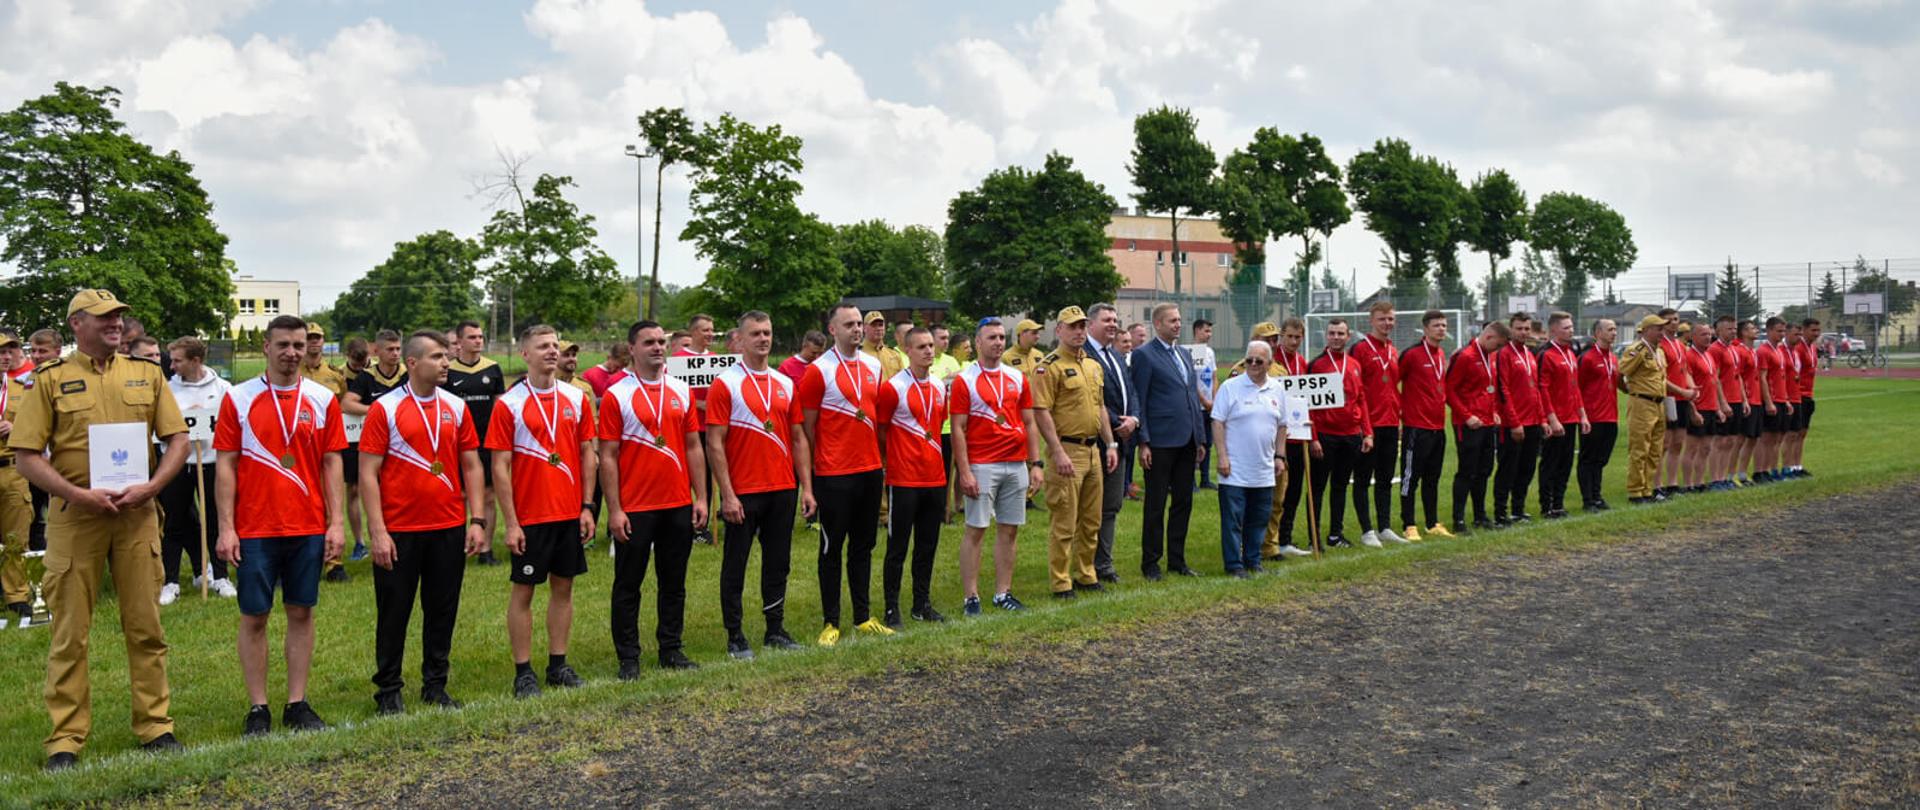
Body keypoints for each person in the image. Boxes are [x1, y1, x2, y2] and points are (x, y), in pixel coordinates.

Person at [13, 290, 191, 770]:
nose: (116, 324)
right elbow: (26, 456)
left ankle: (155, 726)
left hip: (137, 516)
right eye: (104, 317)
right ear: (77, 324)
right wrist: (76, 495)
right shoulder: (50, 379)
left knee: (146, 627)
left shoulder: (147, 373)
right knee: (70, 634)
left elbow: (177, 439)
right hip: (77, 519)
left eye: (118, 317)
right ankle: (65, 739)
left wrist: (153, 486)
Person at [213, 315, 348, 736]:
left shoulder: (322, 399)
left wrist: (337, 523)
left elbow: (332, 463)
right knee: (255, 616)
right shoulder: (238, 398)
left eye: (299, 345)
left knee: (301, 612)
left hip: (307, 526)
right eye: (284, 345)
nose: (292, 352)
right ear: (266, 347)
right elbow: (226, 465)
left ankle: (296, 703)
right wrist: (226, 528)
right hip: (256, 527)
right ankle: (258, 707)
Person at [359, 330, 489, 714]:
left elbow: (471, 465)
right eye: (437, 356)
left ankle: (435, 685)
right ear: (412, 363)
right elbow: (368, 473)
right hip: (399, 530)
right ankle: (388, 690)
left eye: (446, 356)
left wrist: (477, 520)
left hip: (447, 527)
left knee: (442, 611)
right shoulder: (385, 409)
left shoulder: (456, 407)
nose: (446, 362)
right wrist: (377, 531)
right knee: (394, 613)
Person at [487, 325, 596, 698]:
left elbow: (587, 454)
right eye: (543, 346)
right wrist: (511, 523)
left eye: (555, 345)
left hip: (568, 512)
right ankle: (523, 672)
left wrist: (587, 506)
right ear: (525, 354)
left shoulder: (576, 398)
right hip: (530, 517)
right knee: (524, 593)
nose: (552, 351)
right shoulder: (509, 404)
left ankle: (557, 665)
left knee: (564, 588)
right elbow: (500, 466)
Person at [600, 320, 707, 674]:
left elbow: (693, 446)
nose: (658, 347)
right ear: (632, 349)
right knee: (628, 585)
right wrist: (615, 509)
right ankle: (628, 658)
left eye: (661, 341)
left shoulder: (681, 390)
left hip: (677, 503)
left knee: (673, 583)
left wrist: (701, 497)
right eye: (649, 342)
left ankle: (671, 649)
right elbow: (608, 456)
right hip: (636, 507)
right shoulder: (617, 394)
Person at [706, 311, 808, 660]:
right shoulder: (726, 384)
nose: (763, 339)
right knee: (736, 564)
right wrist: (727, 494)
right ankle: (735, 635)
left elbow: (798, 438)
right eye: (755, 334)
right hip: (743, 491)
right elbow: (714, 442)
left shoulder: (785, 383)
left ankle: (775, 629)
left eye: (767, 332)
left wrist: (807, 488)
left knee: (778, 562)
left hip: (782, 487)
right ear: (740, 339)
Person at [798, 303, 890, 645]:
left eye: (858, 324)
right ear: (832, 329)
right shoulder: (818, 371)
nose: (857, 329)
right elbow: (807, 428)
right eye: (849, 324)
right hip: (834, 473)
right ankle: (830, 621)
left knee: (864, 546)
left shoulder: (873, 366)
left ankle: (863, 616)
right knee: (831, 548)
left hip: (869, 470)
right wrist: (815, 472)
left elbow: (876, 416)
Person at [950, 319, 1041, 614]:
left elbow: (1029, 422)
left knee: (1009, 530)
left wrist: (1036, 463)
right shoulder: (965, 380)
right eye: (991, 337)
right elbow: (958, 429)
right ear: (978, 342)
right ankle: (971, 597)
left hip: (1015, 463)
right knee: (976, 529)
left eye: (1002, 337)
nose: (998, 342)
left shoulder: (1017, 378)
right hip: (983, 464)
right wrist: (965, 472)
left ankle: (1003, 593)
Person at [1032, 307, 1118, 597]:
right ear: (1059, 330)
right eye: (1072, 327)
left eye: (1082, 326)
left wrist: (1110, 444)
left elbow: (1100, 407)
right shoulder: (1048, 367)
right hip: (1067, 450)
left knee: (1091, 520)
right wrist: (1057, 452)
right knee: (1065, 522)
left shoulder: (1093, 365)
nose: (1079, 331)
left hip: (1093, 450)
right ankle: (1061, 581)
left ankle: (1086, 574)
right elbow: (1041, 412)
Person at [875, 327, 947, 626]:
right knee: (898, 547)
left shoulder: (940, 386)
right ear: (907, 350)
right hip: (904, 480)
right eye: (921, 346)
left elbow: (937, 424)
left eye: (930, 345)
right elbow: (881, 429)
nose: (928, 351)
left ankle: (922, 603)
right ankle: (892, 608)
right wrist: (894, 459)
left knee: (927, 545)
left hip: (935, 478)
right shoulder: (893, 388)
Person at [159, 337, 236, 604]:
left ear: (196, 360)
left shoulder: (223, 388)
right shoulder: (167, 390)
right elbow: (159, 428)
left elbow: (233, 425)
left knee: (215, 520)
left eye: (177, 360)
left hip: (213, 463)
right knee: (174, 522)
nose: (172, 366)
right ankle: (170, 581)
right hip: (178, 464)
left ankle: (221, 576)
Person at [1130, 303, 1205, 576]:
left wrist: (1200, 438)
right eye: (1172, 320)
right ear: (1158, 324)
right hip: (1160, 442)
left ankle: (1177, 560)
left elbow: (1191, 396)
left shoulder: (1184, 353)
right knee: (1156, 504)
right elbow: (1140, 398)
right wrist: (1144, 441)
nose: (1178, 324)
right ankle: (1151, 563)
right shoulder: (1144, 355)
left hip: (1187, 440)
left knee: (1183, 502)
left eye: (1179, 320)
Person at [1212, 341, 1298, 577]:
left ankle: (1253, 560)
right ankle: (1234, 565)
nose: (1252, 364)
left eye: (1258, 361)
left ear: (1269, 364)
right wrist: (1222, 457)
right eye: (1248, 360)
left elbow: (1282, 425)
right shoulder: (1230, 387)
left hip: (1264, 469)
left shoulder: (1277, 389)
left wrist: (1280, 456)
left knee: (1259, 518)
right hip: (1234, 469)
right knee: (1233, 520)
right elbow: (1217, 422)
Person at [340, 330, 408, 581]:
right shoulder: (367, 377)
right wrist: (378, 411)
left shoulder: (407, 374)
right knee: (361, 491)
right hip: (369, 444)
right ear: (376, 352)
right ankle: (364, 543)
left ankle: (399, 542)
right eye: (390, 349)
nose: (395, 354)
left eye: (398, 349)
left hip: (401, 445)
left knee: (395, 492)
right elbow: (347, 403)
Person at [1307, 319, 1373, 547]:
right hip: (1325, 435)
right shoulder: (1316, 365)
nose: (1336, 337)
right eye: (1332, 333)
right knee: (1317, 488)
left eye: (1340, 333)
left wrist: (1367, 432)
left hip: (1351, 435)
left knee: (1340, 486)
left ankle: (1335, 534)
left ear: (1348, 336)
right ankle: (1314, 539)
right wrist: (1313, 438)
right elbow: (1308, 405)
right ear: (1326, 336)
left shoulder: (1354, 364)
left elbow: (1361, 399)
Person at [442, 321, 504, 566]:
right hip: (456, 443)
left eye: (480, 337)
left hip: (486, 442)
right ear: (459, 342)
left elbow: (500, 407)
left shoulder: (493, 369)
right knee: (459, 495)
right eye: (472, 337)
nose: (478, 341)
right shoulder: (448, 370)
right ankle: (459, 546)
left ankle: (485, 550)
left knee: (488, 496)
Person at [1085, 303, 1139, 584]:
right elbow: (1093, 400)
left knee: (1111, 505)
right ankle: (1086, 564)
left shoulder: (1117, 356)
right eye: (1107, 319)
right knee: (1089, 507)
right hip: (1095, 442)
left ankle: (1103, 564)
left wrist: (1135, 420)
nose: (1113, 324)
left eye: (1115, 319)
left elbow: (1132, 391)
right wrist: (1119, 421)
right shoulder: (1084, 354)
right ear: (1091, 324)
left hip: (1122, 441)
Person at [1349, 302, 1407, 545]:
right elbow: (1354, 389)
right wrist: (1363, 426)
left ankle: (1384, 527)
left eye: (1390, 319)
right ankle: (1367, 531)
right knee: (1363, 479)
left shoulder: (1393, 350)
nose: (1387, 323)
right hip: (1368, 425)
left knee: (1385, 478)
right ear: (1371, 321)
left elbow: (1393, 387)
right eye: (1382, 319)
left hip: (1390, 423)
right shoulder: (1360, 349)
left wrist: (1399, 416)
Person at [1261, 319, 1316, 558]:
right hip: (1277, 437)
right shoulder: (1272, 362)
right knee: (1273, 493)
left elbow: (1308, 400)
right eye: (1289, 337)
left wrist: (1312, 434)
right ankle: (1265, 540)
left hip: (1298, 436)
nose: (1293, 341)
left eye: (1298, 337)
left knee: (1293, 492)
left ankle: (1285, 539)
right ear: (1281, 336)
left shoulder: (1302, 362)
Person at [1396, 311, 1452, 540]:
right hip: (1416, 427)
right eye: (1436, 325)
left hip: (1438, 427)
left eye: (1444, 325)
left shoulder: (1441, 354)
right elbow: (1394, 384)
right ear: (1426, 328)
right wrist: (1401, 415)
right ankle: (1408, 524)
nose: (1441, 329)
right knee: (1410, 478)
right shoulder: (1412, 354)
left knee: (1432, 478)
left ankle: (1432, 522)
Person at [1447, 321, 1508, 531]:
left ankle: (1480, 516)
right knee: (1467, 471)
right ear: (1489, 336)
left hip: (1487, 423)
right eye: (1497, 345)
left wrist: (1494, 412)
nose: (1498, 349)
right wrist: (1466, 416)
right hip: (1469, 425)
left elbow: (1488, 389)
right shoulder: (1464, 356)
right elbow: (1450, 390)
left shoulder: (1491, 356)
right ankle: (1458, 520)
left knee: (1484, 471)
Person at [1492, 313, 1544, 526]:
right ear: (1511, 330)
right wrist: (1514, 422)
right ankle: (1500, 512)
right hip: (1513, 424)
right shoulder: (1504, 354)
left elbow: (1535, 389)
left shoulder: (1529, 354)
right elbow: (1503, 390)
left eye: (1526, 328)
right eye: (1519, 328)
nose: (1523, 332)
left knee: (1527, 468)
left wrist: (1542, 419)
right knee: (1508, 469)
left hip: (1533, 422)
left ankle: (1518, 509)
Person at [1620, 315, 1678, 504]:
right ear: (1646, 330)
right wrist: (1628, 390)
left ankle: (1647, 488)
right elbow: (1621, 373)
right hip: (1642, 403)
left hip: (1658, 403)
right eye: (1658, 329)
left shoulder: (1659, 351)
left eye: (1663, 329)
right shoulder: (1636, 350)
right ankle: (1635, 491)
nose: (1662, 332)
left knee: (1655, 449)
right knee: (1640, 448)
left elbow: (1661, 378)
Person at [1534, 312, 1586, 518]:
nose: (1571, 330)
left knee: (1565, 463)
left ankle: (1558, 503)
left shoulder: (1571, 353)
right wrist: (1551, 418)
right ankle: (1546, 506)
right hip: (1556, 420)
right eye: (1566, 328)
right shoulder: (1546, 354)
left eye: (1571, 327)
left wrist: (1582, 414)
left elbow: (1575, 387)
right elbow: (1542, 389)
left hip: (1571, 417)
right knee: (1550, 462)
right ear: (1553, 330)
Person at [0, 332, 37, 619]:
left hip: (12, 469)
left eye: (10, 350)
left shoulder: (22, 387)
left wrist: (16, 428)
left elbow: (37, 423)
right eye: (1, 351)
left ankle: (17, 595)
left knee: (16, 537)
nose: (6, 356)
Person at [674, 315, 719, 546]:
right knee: (683, 478)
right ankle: (681, 523)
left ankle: (702, 527)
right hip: (686, 429)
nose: (710, 334)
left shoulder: (716, 360)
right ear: (693, 332)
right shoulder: (678, 361)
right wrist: (698, 404)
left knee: (707, 479)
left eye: (712, 330)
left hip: (711, 428)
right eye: (705, 330)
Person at [1576, 319, 1620, 511]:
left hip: (1611, 416)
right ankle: (1588, 500)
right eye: (1610, 329)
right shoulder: (1587, 358)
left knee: (1601, 459)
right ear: (1598, 333)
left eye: (1615, 329)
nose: (1614, 333)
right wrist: (1582, 415)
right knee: (1588, 458)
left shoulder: (1613, 358)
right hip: (1592, 416)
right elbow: (1577, 388)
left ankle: (1597, 495)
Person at [1682, 323, 1727, 493]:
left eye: (1709, 334)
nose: (1708, 337)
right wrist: (1693, 409)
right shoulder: (1689, 356)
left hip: (1710, 407)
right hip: (1698, 407)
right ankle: (1688, 484)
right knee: (1692, 448)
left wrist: (1718, 408)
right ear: (1693, 337)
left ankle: (1700, 482)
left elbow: (1714, 382)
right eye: (1703, 334)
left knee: (1706, 447)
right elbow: (1687, 384)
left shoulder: (1709, 355)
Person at [1656, 308, 1694, 497]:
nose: (1673, 323)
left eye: (1676, 319)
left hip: (1682, 399)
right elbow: (1660, 377)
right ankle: (1657, 485)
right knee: (1664, 443)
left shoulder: (1680, 345)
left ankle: (1672, 484)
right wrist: (1681, 390)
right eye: (1669, 320)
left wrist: (1691, 388)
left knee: (1678, 442)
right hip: (1667, 397)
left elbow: (1685, 371)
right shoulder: (1659, 345)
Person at [1753, 317, 1795, 482]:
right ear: (1769, 330)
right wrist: (1768, 401)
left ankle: (1772, 469)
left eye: (1783, 331)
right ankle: (1760, 471)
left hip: (1781, 399)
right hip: (1771, 399)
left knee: (1777, 438)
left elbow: (1781, 378)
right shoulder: (1763, 351)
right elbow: (1762, 378)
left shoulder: (1779, 350)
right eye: (1779, 331)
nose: (1782, 334)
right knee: (1766, 438)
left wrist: (1786, 400)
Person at [1707, 316, 1746, 491]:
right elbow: (1715, 379)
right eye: (1729, 329)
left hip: (1736, 400)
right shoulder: (1715, 350)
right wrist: (1722, 403)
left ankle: (1724, 478)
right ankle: (1715, 479)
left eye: (1734, 328)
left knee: (1731, 441)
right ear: (1718, 331)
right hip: (1726, 401)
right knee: (1720, 442)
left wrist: (1744, 400)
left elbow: (1738, 376)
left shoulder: (1734, 349)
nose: (1733, 331)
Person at [1731, 320, 1764, 485]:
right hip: (1748, 399)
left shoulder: (1753, 351)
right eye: (1752, 328)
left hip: (1757, 399)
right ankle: (1730, 474)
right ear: (1744, 332)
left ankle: (1742, 474)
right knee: (1740, 439)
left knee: (1752, 438)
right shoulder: (1740, 351)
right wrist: (1745, 399)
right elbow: (1738, 377)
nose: (1756, 330)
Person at [1789, 319, 1821, 477]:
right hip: (1798, 395)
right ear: (1805, 330)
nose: (1816, 334)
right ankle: (1790, 467)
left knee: (1802, 433)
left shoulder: (1813, 348)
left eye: (1818, 330)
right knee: (1794, 434)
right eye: (1813, 330)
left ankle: (1798, 466)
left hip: (1808, 395)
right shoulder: (1798, 348)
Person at [1189, 318, 1218, 491]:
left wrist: (1214, 399)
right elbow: (1190, 380)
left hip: (1210, 407)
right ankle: (1191, 480)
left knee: (1208, 442)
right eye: (1206, 331)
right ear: (1197, 331)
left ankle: (1205, 479)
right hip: (1197, 406)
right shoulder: (1191, 352)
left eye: (1210, 331)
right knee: (1195, 444)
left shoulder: (1210, 352)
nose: (1209, 334)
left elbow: (1214, 377)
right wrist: (1203, 401)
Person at [299, 324, 348, 398]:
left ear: (323, 341)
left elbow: (342, 401)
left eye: (318, 337)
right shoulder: (292, 373)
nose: (314, 341)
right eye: (309, 338)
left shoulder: (335, 373)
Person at [860, 311, 905, 382]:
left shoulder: (894, 354)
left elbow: (903, 382)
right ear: (864, 328)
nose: (878, 328)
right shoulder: (858, 354)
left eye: (880, 325)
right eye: (874, 325)